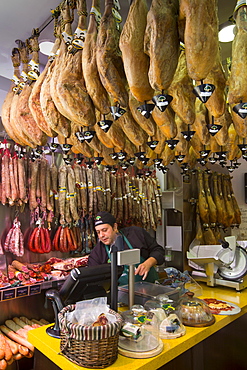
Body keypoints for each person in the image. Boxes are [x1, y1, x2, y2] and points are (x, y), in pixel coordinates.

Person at [87, 211, 165, 285]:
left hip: (149, 288)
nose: (101, 235)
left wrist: (148, 263)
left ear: (115, 227)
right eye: (98, 232)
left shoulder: (135, 234)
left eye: (104, 230)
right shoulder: (97, 253)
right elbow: (94, 279)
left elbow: (159, 251)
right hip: (121, 295)